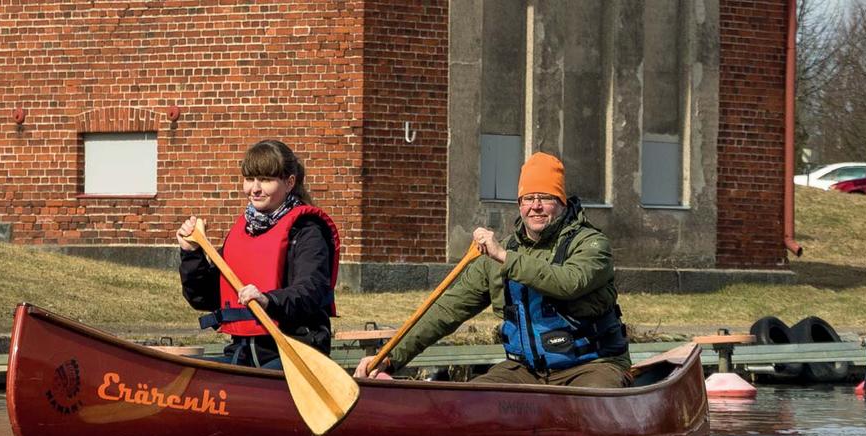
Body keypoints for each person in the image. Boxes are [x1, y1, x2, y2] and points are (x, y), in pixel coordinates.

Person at [355, 152, 631, 387]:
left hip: (592, 366)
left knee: (587, 400)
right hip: (526, 373)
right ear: (519, 204)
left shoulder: (592, 243)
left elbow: (568, 282)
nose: (535, 206)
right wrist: (390, 359)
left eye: (545, 197)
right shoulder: (494, 259)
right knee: (468, 402)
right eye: (528, 198)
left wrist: (503, 255)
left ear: (561, 202)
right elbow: (446, 311)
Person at [177, 139, 340, 369]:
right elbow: (204, 298)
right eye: (250, 179)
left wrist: (268, 300)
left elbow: (309, 291)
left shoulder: (307, 231)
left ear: (289, 182)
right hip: (242, 352)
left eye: (265, 180)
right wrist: (191, 253)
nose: (255, 188)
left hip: (295, 352)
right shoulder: (243, 230)